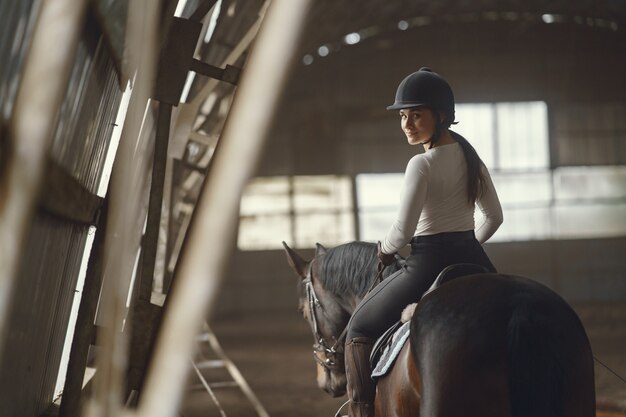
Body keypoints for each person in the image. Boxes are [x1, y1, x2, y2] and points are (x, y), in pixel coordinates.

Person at [342, 67, 503, 417]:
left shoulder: (421, 164)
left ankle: (360, 410)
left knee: (358, 326)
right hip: (473, 258)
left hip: (426, 263)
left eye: (416, 114)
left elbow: (401, 233)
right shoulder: (471, 158)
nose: (407, 124)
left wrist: (382, 251)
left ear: (441, 116)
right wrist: (466, 245)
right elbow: (494, 218)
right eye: (403, 115)